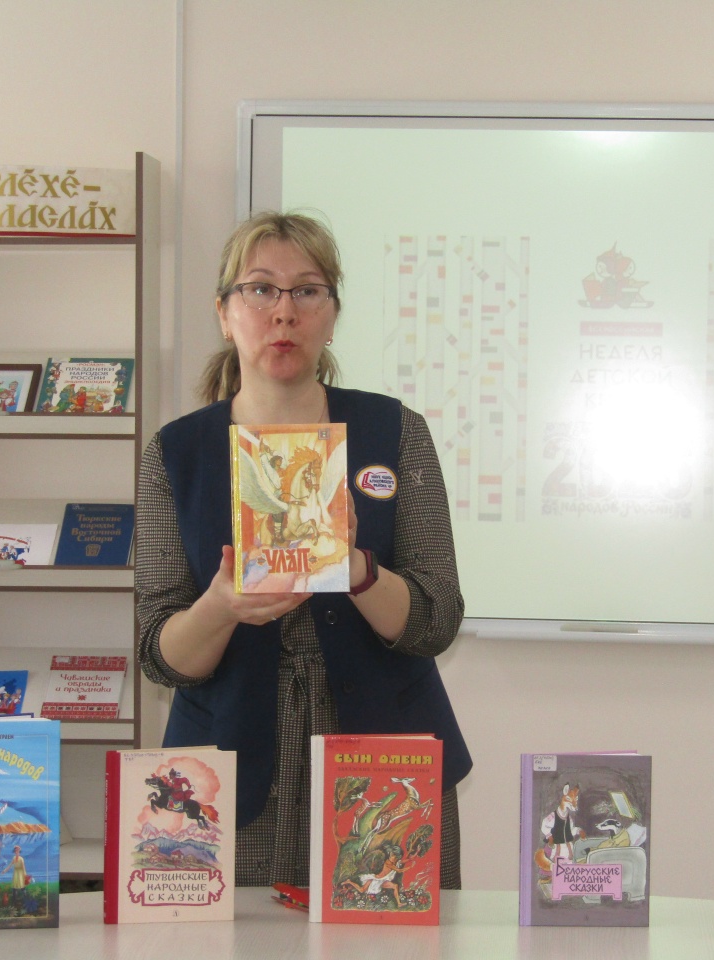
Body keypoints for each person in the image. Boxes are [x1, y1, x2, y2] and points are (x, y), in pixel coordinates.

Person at [136, 211, 471, 888]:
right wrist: (221, 607)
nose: (283, 312)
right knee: (228, 940)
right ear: (224, 313)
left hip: (387, 775)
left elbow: (437, 621)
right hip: (223, 776)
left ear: (333, 313)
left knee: (386, 938)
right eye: (260, 289)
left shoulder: (395, 432)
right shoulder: (177, 452)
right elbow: (158, 654)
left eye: (307, 291)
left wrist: (357, 570)